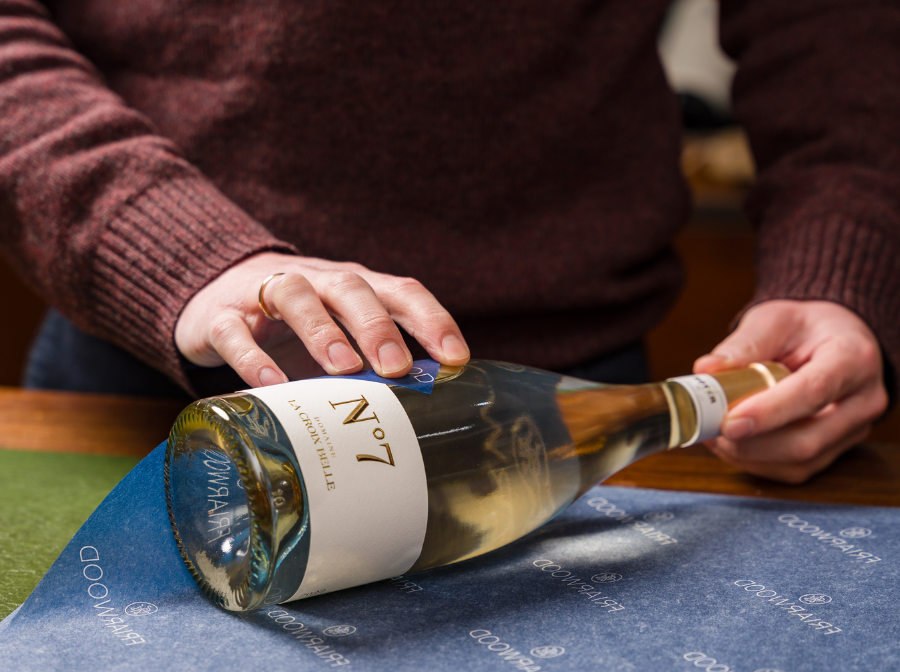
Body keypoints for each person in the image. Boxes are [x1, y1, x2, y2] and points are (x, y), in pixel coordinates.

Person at [2, 1, 897, 485]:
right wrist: (179, 250)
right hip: (149, 384)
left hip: (556, 421)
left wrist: (840, 269)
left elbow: (838, 35)